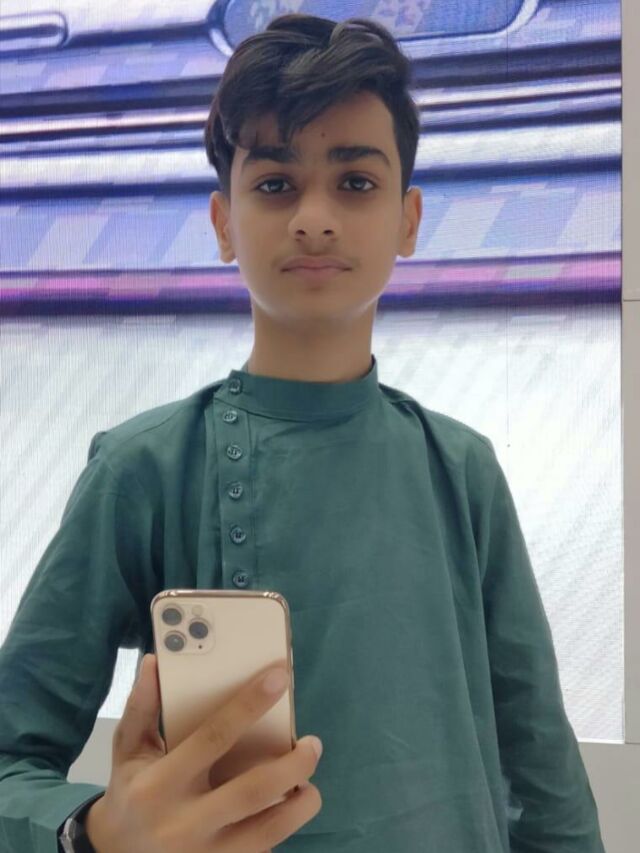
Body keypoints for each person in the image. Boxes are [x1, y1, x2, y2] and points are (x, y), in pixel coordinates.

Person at [0, 11, 606, 853]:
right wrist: (90, 830)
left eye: (355, 182)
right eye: (276, 184)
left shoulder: (461, 469)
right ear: (223, 222)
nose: (314, 218)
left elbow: (542, 769)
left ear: (408, 219)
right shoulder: (144, 469)